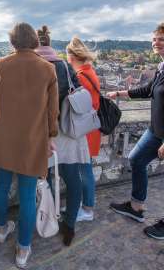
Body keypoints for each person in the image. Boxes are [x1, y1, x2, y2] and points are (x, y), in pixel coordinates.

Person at [0, 23, 59, 269]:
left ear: (12, 42)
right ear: (34, 40)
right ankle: (23, 249)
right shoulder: (48, 69)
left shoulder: (1, 64)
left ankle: (2, 230)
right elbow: (52, 112)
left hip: (2, 137)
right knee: (27, 196)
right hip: (32, 140)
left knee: (1, 187)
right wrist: (51, 136)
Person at [35, 26, 90, 246]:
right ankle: (70, 225)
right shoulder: (65, 66)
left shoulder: (35, 66)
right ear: (49, 43)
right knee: (73, 179)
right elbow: (77, 92)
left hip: (44, 132)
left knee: (44, 180)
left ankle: (48, 218)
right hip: (68, 129)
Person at [108, 22, 164, 240]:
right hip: (155, 130)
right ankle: (136, 207)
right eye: (154, 39)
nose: (156, 43)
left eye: (161, 39)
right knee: (136, 159)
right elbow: (148, 90)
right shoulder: (161, 67)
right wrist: (120, 94)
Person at [66, 37, 101, 222]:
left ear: (72, 57)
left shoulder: (80, 76)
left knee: (85, 172)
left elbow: (75, 106)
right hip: (91, 129)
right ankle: (83, 205)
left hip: (84, 132)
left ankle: (87, 209)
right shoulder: (89, 71)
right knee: (85, 171)